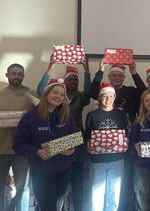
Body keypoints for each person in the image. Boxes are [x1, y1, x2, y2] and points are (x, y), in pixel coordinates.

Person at [13, 79, 77, 211]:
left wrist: (72, 149)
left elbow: (74, 137)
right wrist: (37, 151)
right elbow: (18, 144)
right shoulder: (30, 118)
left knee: (58, 199)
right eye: (55, 92)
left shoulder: (66, 115)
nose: (58, 96)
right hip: (42, 170)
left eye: (61, 94)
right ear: (46, 93)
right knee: (48, 206)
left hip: (63, 169)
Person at [37, 55, 91, 211]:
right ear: (65, 82)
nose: (73, 82)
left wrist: (86, 70)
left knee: (77, 183)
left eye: (75, 80)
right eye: (70, 80)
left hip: (76, 143)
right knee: (59, 185)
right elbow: (41, 90)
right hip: (58, 143)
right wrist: (51, 67)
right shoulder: (58, 97)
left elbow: (89, 90)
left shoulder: (81, 97)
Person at [0, 63, 36, 211]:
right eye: (13, 73)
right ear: (7, 75)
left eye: (20, 73)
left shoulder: (32, 95)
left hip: (22, 151)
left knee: (22, 191)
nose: (17, 76)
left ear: (24, 76)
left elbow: (41, 116)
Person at [85, 83, 128, 211]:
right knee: (96, 195)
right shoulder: (92, 115)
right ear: (100, 98)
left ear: (114, 98)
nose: (108, 99)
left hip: (117, 160)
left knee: (114, 195)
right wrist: (88, 143)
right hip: (97, 161)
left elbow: (125, 134)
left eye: (110, 96)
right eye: (104, 96)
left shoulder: (121, 115)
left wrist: (127, 141)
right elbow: (88, 135)